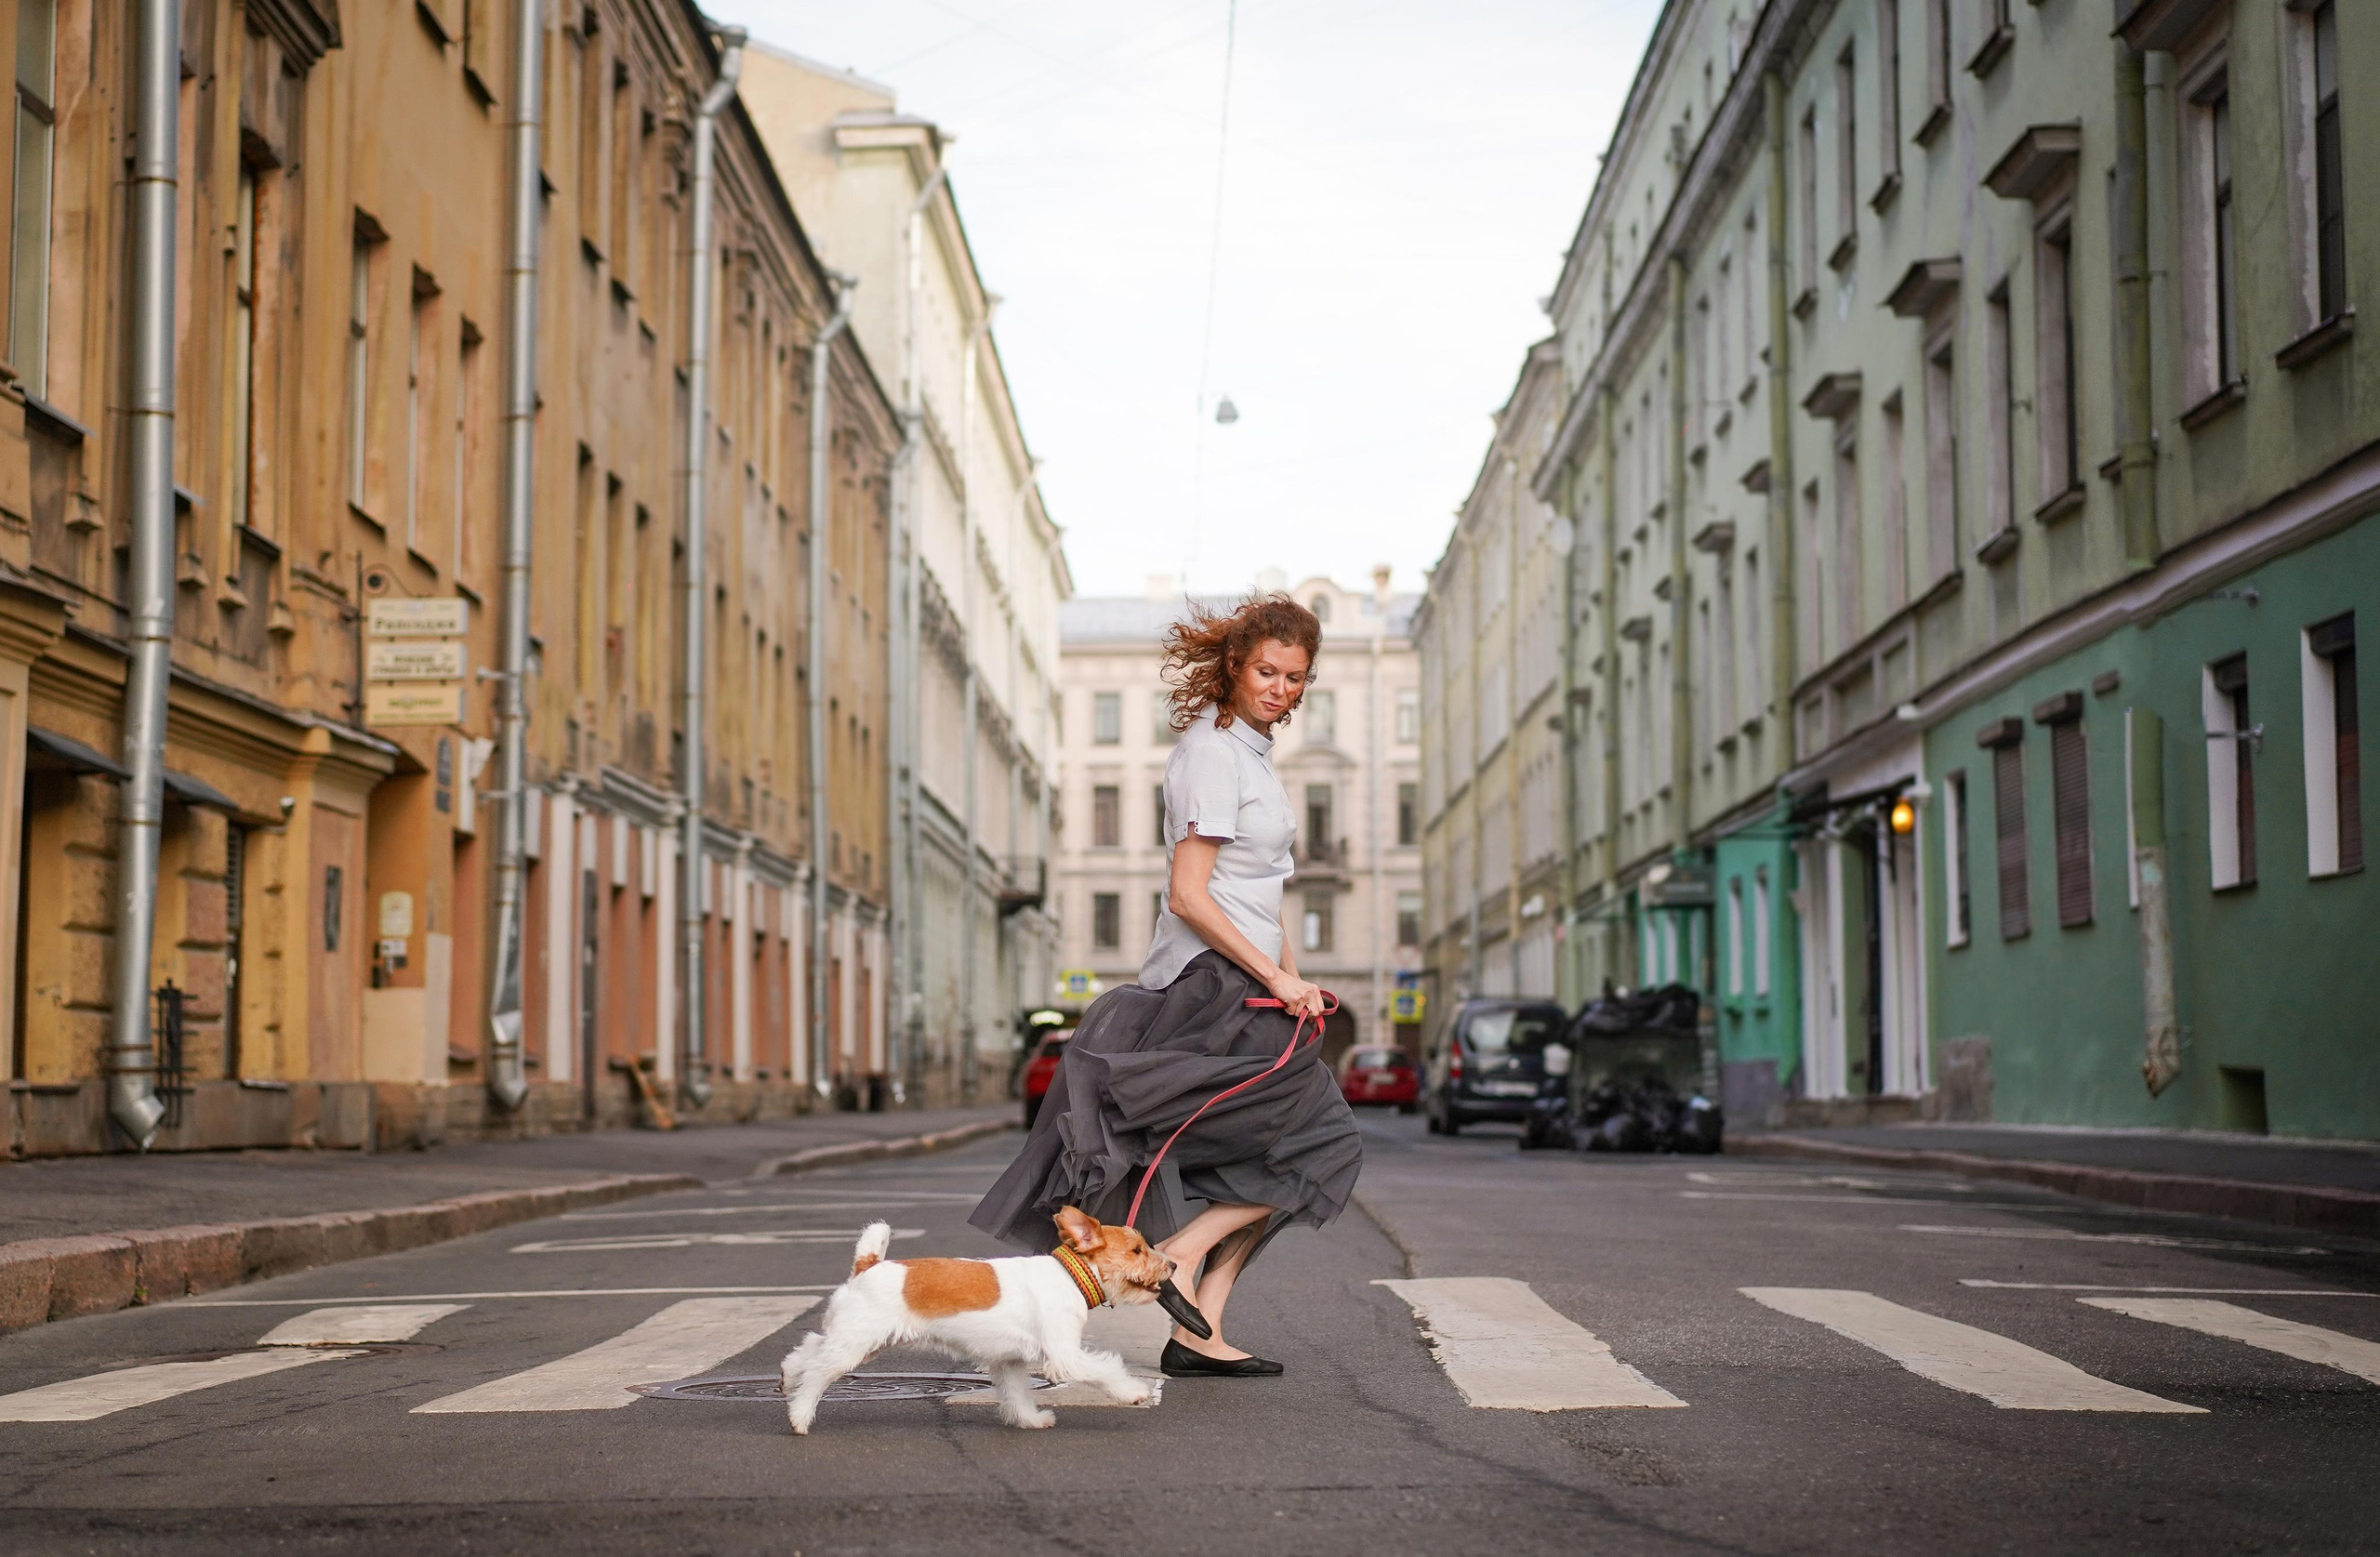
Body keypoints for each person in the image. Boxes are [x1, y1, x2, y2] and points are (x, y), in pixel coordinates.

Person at [970, 592, 1363, 1379]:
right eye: (1267, 671)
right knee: (1325, 1141)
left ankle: (1200, 1327)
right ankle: (1178, 1257)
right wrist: (1273, 974)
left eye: (1295, 677)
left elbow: (1262, 891)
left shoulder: (1251, 755)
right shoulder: (1212, 753)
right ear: (1234, 665)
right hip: (1213, 989)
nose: (1281, 688)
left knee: (1286, 1155)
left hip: (1253, 983)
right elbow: (1189, 894)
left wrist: (1294, 976)